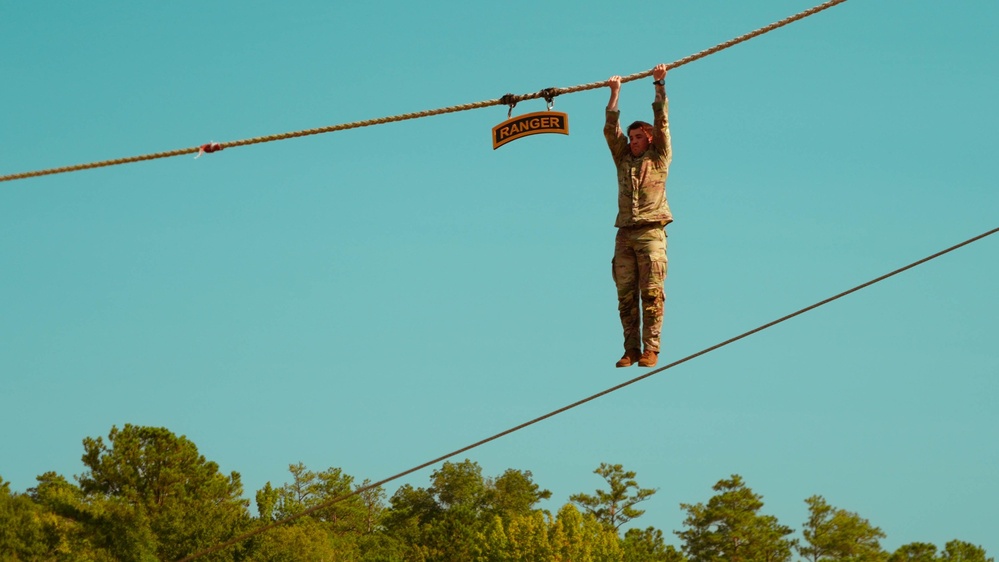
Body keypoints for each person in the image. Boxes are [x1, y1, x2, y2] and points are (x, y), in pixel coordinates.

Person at [604, 63, 672, 368]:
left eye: (637, 137)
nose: (632, 141)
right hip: (625, 234)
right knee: (625, 296)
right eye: (630, 137)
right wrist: (615, 94)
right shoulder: (623, 160)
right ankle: (630, 349)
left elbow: (662, 121)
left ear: (649, 138)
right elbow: (610, 131)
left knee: (651, 293)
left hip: (651, 232)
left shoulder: (658, 157)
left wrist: (659, 85)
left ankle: (651, 348)